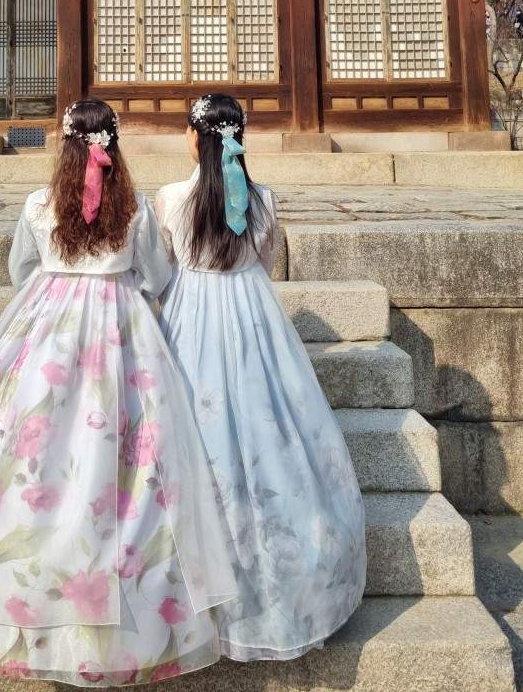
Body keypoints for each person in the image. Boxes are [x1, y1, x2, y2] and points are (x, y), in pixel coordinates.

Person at [0, 99, 237, 685]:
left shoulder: (39, 205)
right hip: (122, 329)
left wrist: (54, 285)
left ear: (65, 146)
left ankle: (20, 584)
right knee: (132, 450)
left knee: (22, 439)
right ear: (114, 147)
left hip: (47, 328)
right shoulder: (133, 209)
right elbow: (157, 276)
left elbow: (20, 270)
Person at [155, 93, 366, 662]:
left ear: (194, 138)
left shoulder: (172, 198)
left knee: (193, 435)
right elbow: (266, 261)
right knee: (270, 425)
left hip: (190, 318)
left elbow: (165, 268)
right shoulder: (264, 198)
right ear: (239, 139)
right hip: (254, 316)